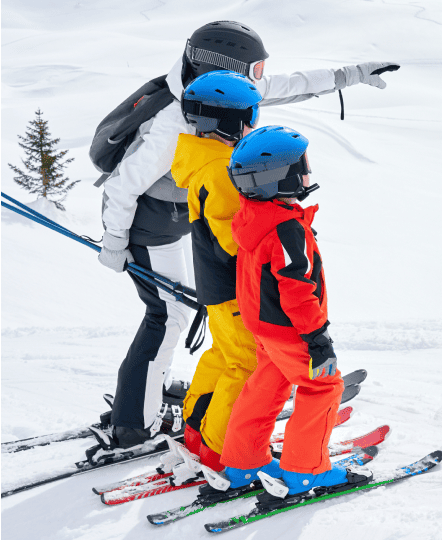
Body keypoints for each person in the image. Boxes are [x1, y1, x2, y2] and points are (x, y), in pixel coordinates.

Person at [96, 19, 400, 448]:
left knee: (190, 314)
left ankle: (179, 407)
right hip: (150, 222)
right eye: (254, 70)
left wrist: (350, 75)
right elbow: (122, 185)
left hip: (191, 216)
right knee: (167, 315)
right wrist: (114, 244)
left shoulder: (213, 99)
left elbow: (287, 85)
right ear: (230, 68)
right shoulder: (174, 120)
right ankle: (133, 423)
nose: (260, 81)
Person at [214, 126, 372, 501]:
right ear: (274, 179)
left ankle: (242, 463)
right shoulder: (286, 229)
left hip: (266, 328)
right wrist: (317, 339)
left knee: (267, 386)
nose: (305, 174)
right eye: (298, 168)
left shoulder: (256, 216)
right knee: (323, 387)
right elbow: (297, 290)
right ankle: (305, 472)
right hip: (291, 331)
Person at [170, 70, 262, 472]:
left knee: (223, 356)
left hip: (216, 286)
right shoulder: (223, 169)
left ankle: (196, 430)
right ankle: (221, 450)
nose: (252, 123)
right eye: (249, 115)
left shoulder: (203, 161)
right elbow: (232, 238)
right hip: (234, 284)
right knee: (246, 364)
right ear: (229, 120)